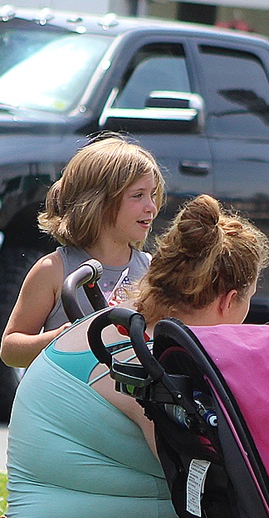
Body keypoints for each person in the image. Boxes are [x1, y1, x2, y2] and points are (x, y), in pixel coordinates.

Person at [6, 194, 269, 518]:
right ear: (229, 300)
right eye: (248, 301)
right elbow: (216, 486)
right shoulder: (153, 366)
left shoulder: (117, 329)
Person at [0, 133, 165, 368]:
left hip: (125, 403)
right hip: (67, 400)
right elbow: (10, 350)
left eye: (153, 195)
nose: (152, 207)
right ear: (98, 201)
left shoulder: (152, 271)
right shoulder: (54, 270)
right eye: (138, 195)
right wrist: (59, 338)